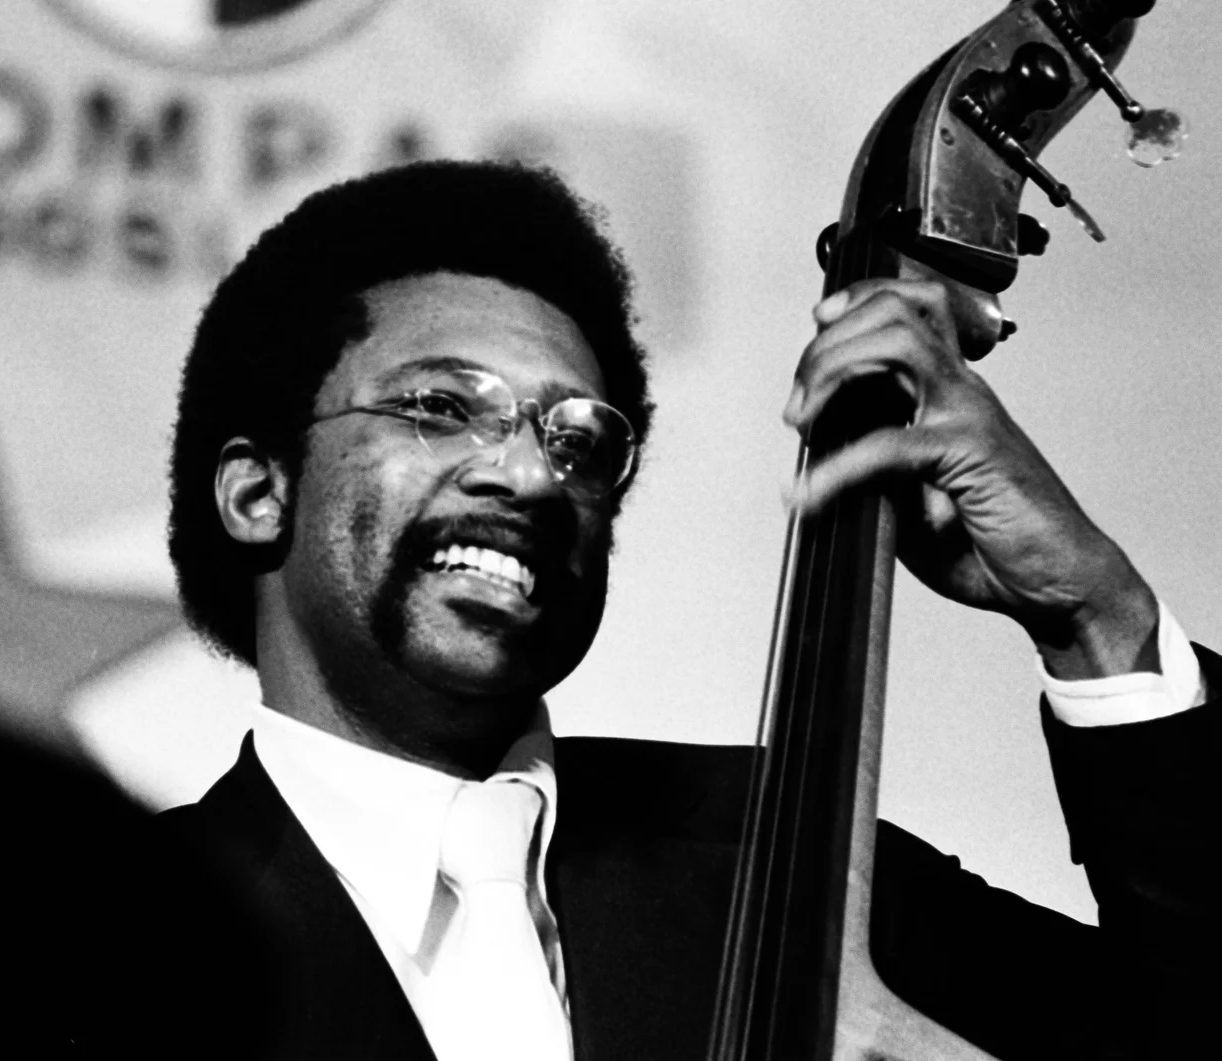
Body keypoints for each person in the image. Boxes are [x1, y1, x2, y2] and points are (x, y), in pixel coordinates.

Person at [104, 160, 1215, 1058]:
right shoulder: (98, 953)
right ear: (257, 493)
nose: (531, 477)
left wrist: (1094, 610)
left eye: (579, 442)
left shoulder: (798, 860)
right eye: (440, 406)